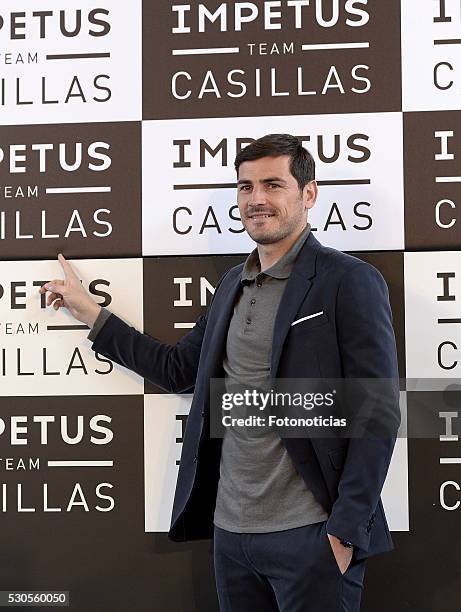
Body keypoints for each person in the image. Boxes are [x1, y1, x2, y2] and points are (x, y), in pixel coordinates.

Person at [39, 134, 400, 611]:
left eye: (273, 184)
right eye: (246, 187)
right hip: (231, 536)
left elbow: (377, 411)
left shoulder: (348, 280)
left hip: (311, 536)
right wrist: (91, 313)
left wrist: (344, 531)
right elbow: (177, 369)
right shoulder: (233, 283)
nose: (257, 199)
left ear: (308, 194)